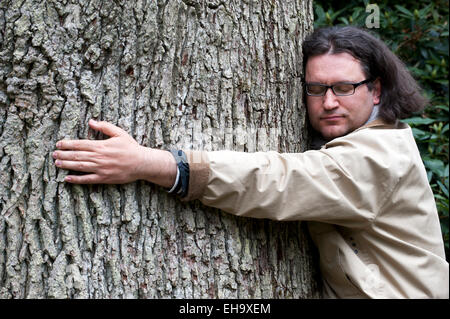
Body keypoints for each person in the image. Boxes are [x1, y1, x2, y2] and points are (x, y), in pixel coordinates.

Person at [52, 26, 449, 298]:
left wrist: (149, 163)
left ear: (376, 89)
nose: (328, 102)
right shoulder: (367, 143)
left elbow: (282, 180)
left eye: (344, 88)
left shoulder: (379, 157)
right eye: (315, 89)